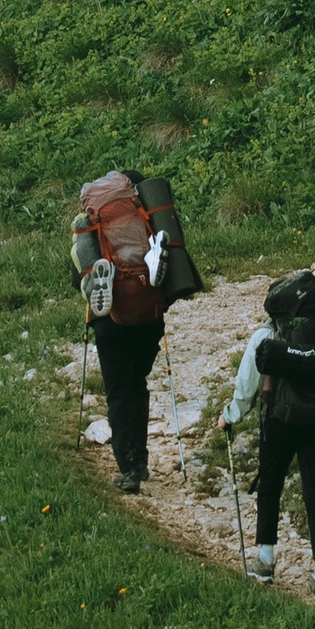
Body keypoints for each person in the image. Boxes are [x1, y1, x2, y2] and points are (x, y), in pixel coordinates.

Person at [71, 169, 201, 491]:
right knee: (137, 384)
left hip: (109, 319)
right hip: (148, 314)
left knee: (119, 393)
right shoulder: (149, 218)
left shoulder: (94, 222)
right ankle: (140, 461)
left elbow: (77, 280)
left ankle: (128, 468)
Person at [223, 268, 315, 591]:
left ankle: (265, 561)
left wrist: (230, 416)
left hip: (278, 418)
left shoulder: (266, 335)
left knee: (270, 484)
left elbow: (247, 383)